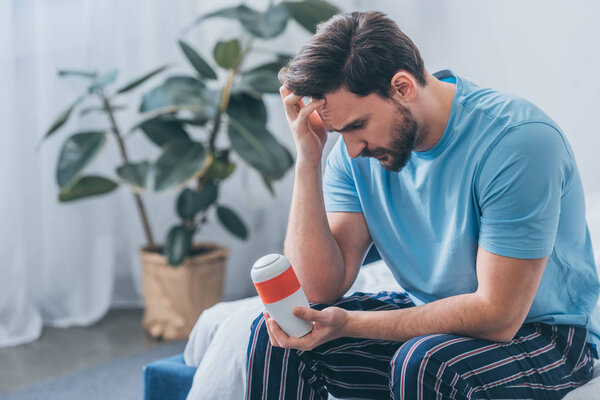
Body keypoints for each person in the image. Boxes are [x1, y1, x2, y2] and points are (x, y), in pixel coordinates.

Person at [246, 10, 600, 400]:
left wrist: (350, 323)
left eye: (356, 126)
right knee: (284, 334)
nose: (350, 148)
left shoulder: (518, 142)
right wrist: (308, 163)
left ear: (403, 87)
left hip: (545, 336)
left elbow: (498, 316)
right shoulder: (353, 155)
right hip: (437, 326)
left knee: (425, 360)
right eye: (338, 132)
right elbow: (319, 288)